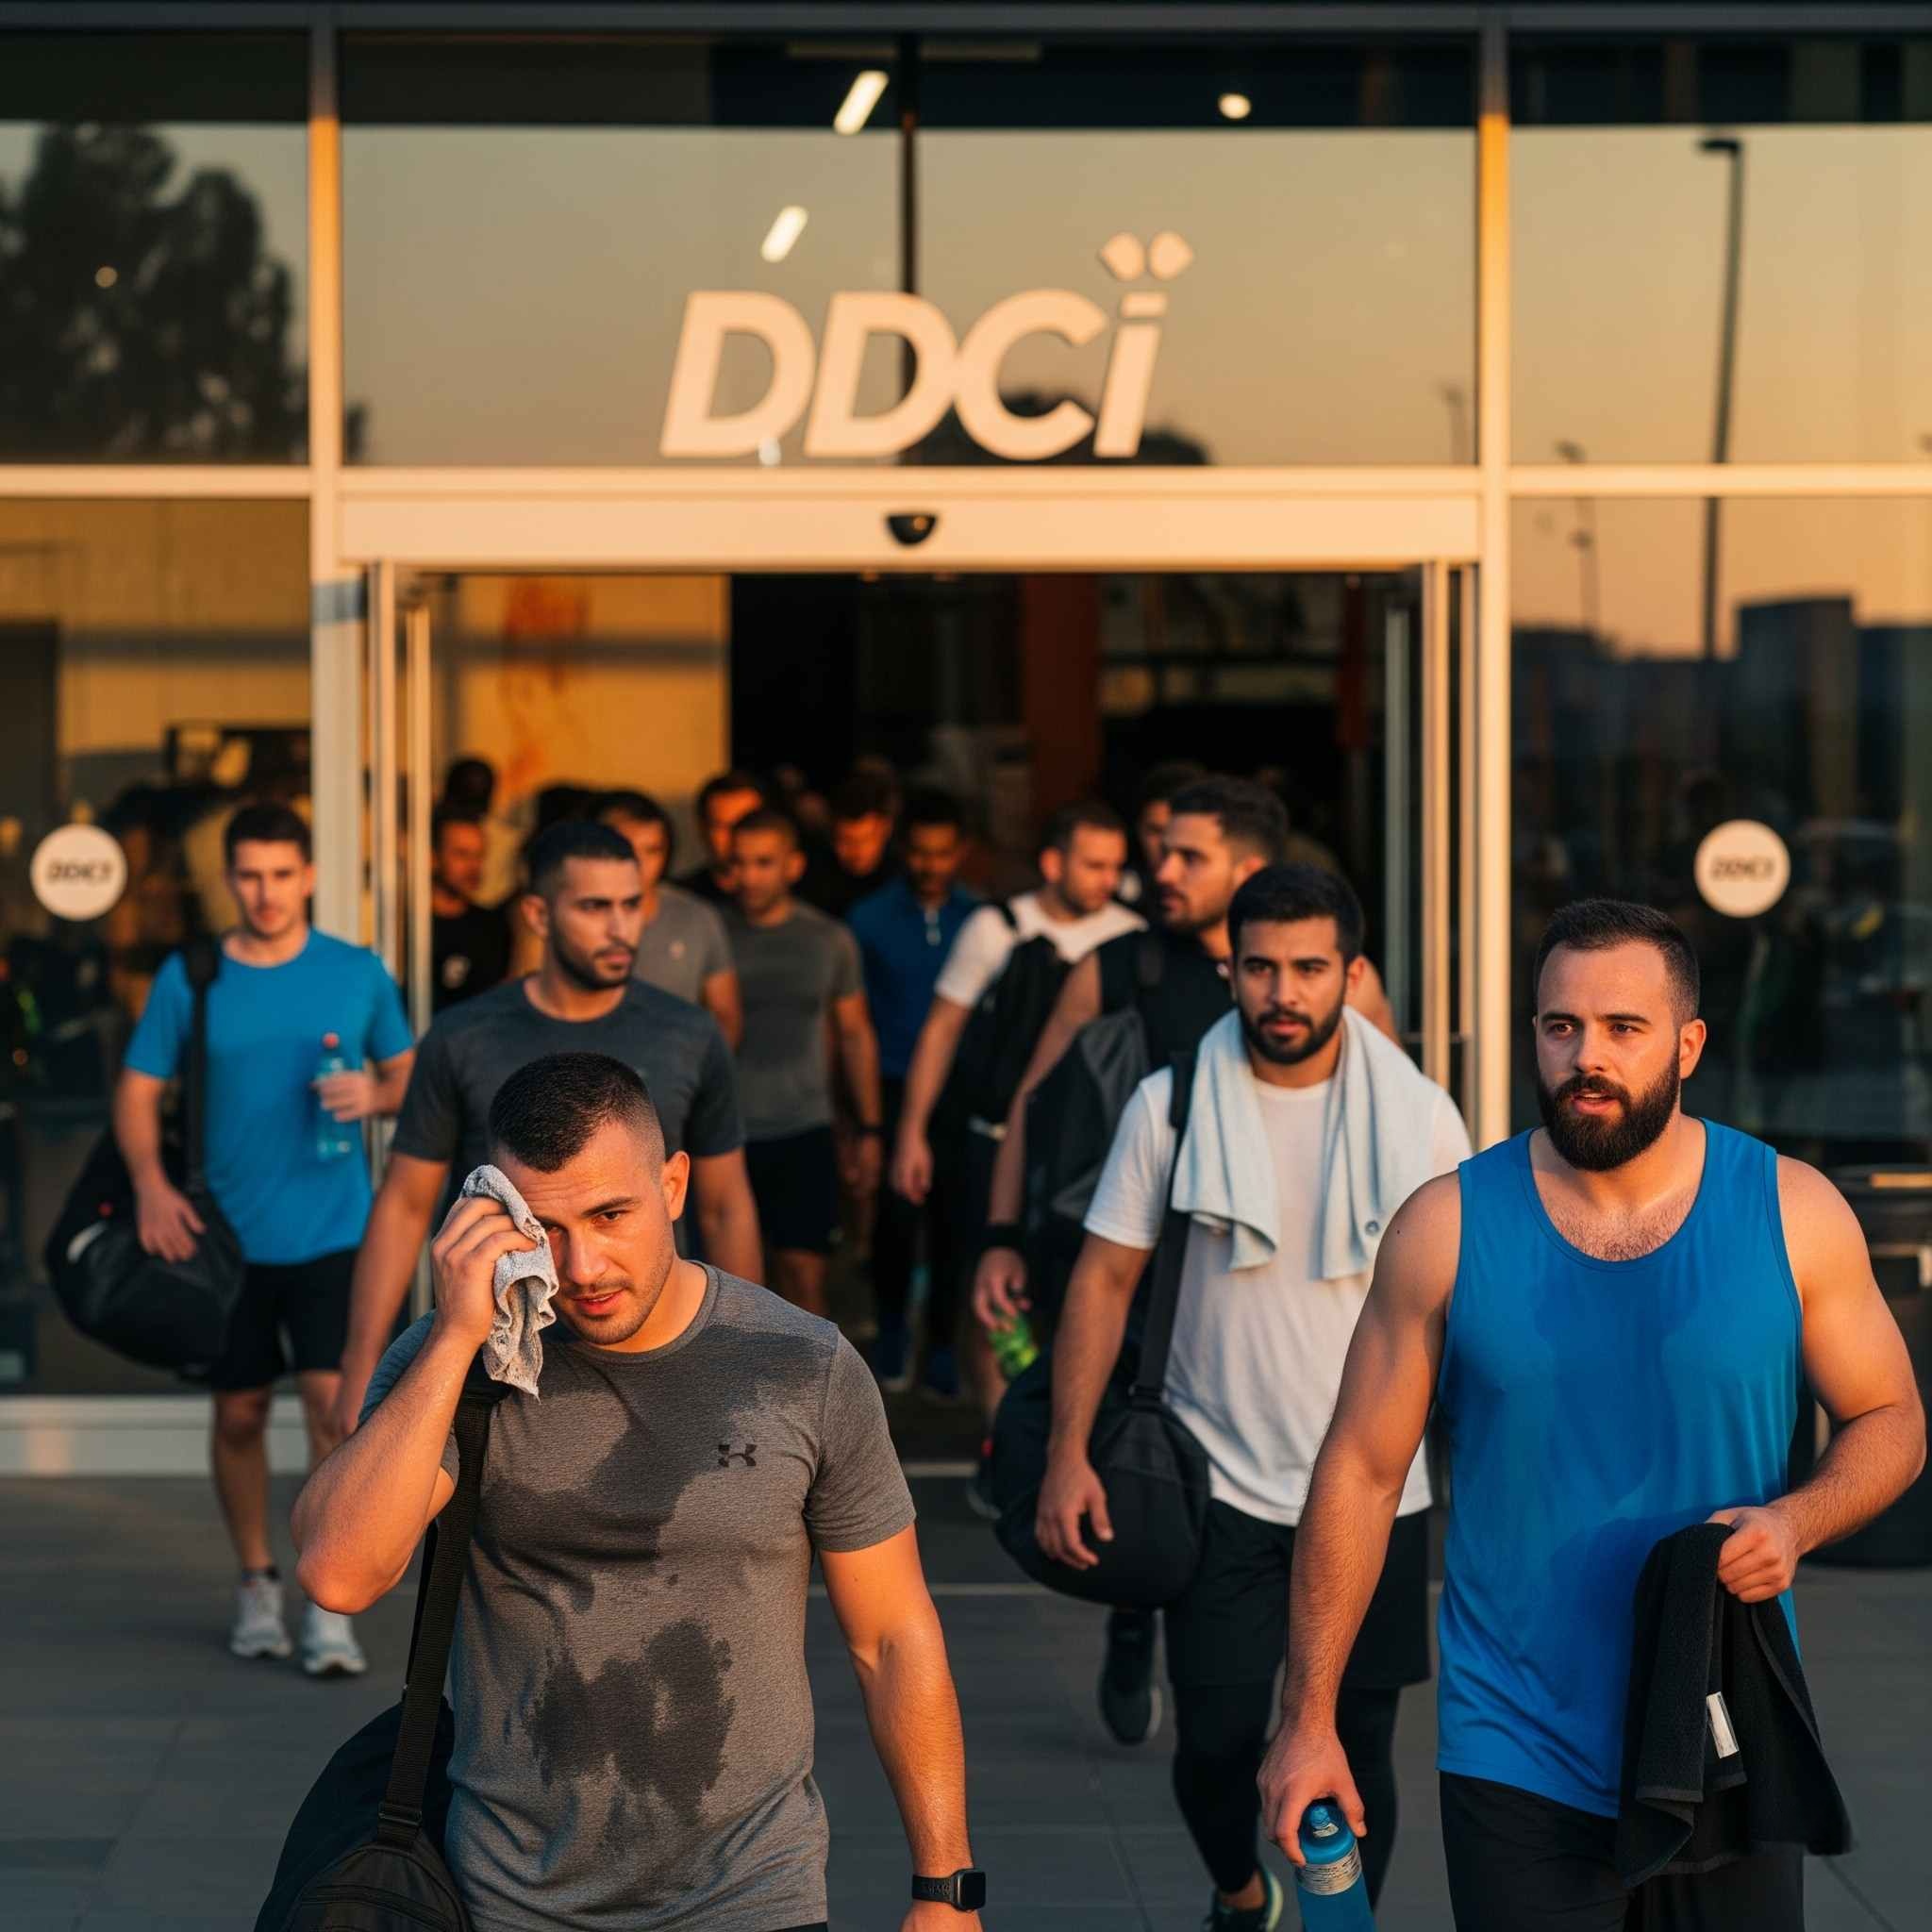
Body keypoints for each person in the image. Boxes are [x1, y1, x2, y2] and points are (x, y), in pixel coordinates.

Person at [1260, 899, 1927, 1932]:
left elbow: (1889, 1415)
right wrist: (1305, 1719)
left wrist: (1795, 1520)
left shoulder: (1790, 1210)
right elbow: (1355, 1469)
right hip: (1512, 1742)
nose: (1585, 1055)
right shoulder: (1445, 1224)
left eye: (1623, 1027)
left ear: (1687, 1042)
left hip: (1723, 1722)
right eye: (1558, 1025)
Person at [295, 1052, 985, 1932]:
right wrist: (457, 1333)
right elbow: (338, 1577)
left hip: (753, 1897)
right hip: (510, 1901)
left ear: (674, 1183)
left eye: (611, 1214)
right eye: (544, 1228)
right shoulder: (463, 1368)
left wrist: (946, 1888)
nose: (582, 1267)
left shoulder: (801, 1365)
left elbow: (892, 1637)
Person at [1041, 865, 1471, 1928]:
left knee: (1359, 1747)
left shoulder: (1418, 1113)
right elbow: (1102, 1277)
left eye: (1309, 968)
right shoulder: (1172, 1099)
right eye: (1261, 966)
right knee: (1216, 1745)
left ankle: (1340, 1925)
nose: (1284, 991)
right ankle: (1240, 1891)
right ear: (1226, 966)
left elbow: (1471, 1296)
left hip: (1378, 1492)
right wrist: (1065, 1451)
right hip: (1217, 1480)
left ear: (1350, 972)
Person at [974, 776, 1399, 1749]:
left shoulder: (1344, 984)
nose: (1157, 870)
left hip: (1263, 1290)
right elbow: (1028, 1108)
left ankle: (1273, 1681)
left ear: (1249, 869)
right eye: (1156, 849)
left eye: (1185, 855)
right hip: (1134, 1276)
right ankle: (1140, 1620)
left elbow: (1385, 1128)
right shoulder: (1114, 968)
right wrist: (1000, 1238)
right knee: (1141, 1462)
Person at [331, 821, 761, 1439]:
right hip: (499, 1361)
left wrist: (743, 1345)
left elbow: (724, 1206)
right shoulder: (463, 1037)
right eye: (594, 907)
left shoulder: (689, 1035)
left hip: (655, 1345)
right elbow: (404, 1205)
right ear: (537, 914)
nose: (620, 928)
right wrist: (361, 1362)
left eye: (631, 905)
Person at [114, 800, 414, 1678]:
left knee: (335, 1412)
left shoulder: (356, 972)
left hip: (332, 1232)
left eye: (282, 874)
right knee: (239, 1412)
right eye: (249, 875)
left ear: (310, 876)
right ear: (231, 879)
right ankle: (255, 1580)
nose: (266, 892)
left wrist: (378, 1096)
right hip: (226, 1238)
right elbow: (137, 1091)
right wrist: (151, 1187)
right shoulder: (194, 975)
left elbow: (413, 1077)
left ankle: (328, 1599)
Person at [891, 801, 1142, 1483]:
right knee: (990, 1295)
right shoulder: (994, 928)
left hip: (1087, 1158)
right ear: (1054, 862)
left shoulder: (1134, 939)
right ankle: (1005, 1443)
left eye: (1118, 867)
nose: (1107, 880)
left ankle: (1060, 1442)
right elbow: (942, 1029)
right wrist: (912, 1132)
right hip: (989, 1139)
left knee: (1075, 1296)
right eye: (1094, 865)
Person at [848, 790, 982, 1397]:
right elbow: (851, 1024)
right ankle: (896, 1329)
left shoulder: (980, 921)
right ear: (906, 851)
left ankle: (945, 1346)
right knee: (896, 1222)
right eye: (920, 853)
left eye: (942, 853)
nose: (931, 864)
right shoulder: (869, 920)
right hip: (893, 1086)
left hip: (962, 1092)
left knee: (957, 1221)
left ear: (961, 852)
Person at [727, 808, 883, 1317]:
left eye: (764, 863)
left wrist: (868, 1129)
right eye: (741, 862)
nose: (749, 876)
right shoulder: (710, 935)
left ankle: (811, 1393)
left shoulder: (828, 939)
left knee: (804, 1279)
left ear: (792, 866)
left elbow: (856, 1034)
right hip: (727, 1134)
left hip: (804, 1129)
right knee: (735, 1287)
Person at [596, 788, 742, 1047]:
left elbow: (725, 1015)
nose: (639, 862)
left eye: (652, 850)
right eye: (626, 849)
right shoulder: (568, 915)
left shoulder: (697, 917)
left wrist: (702, 1075)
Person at [430, 806, 511, 1013]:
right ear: (432, 857)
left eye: (479, 855)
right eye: (461, 854)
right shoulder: (406, 925)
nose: (474, 866)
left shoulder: (492, 926)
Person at [803, 768, 902, 920]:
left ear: (886, 828)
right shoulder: (813, 880)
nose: (857, 851)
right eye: (845, 841)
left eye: (867, 839)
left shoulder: (905, 878)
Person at [1122, 759, 1207, 908]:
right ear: (1137, 829)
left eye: (1179, 833)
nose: (1166, 844)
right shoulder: (1112, 891)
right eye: (1156, 831)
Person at [676, 768, 766, 908]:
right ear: (702, 829)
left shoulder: (797, 903)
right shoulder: (680, 899)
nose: (737, 837)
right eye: (722, 826)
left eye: (748, 824)